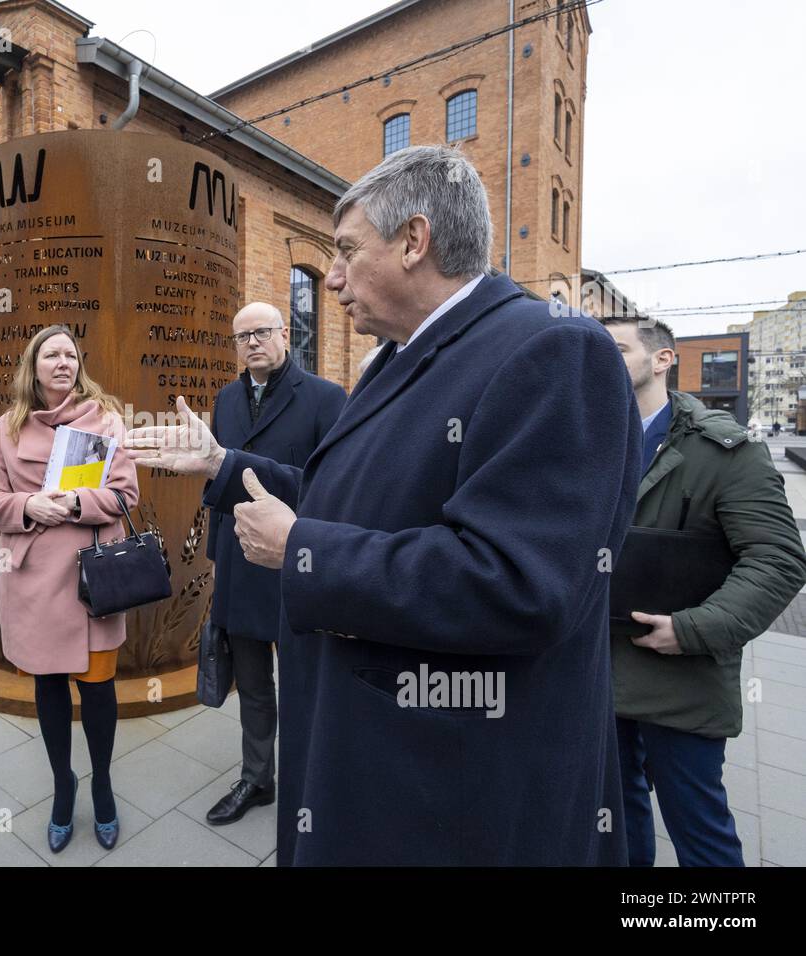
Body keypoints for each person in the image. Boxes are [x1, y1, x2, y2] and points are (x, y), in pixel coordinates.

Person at [125, 145, 641, 865]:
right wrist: (223, 464)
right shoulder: (403, 358)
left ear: (414, 241)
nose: (330, 278)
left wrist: (302, 550)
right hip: (375, 763)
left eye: (343, 251)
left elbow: (518, 582)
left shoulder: (552, 350)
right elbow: (355, 502)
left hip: (452, 795)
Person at [603, 317, 806, 866]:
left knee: (698, 829)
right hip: (594, 674)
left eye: (616, 349)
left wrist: (692, 630)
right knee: (616, 825)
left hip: (680, 677)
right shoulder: (581, 437)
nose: (601, 357)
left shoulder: (724, 450)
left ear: (663, 359)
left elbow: (778, 559)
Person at [0, 324, 139, 853]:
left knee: (98, 690)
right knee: (48, 689)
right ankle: (62, 786)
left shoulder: (105, 419)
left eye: (71, 354)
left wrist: (72, 504)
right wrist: (28, 506)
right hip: (32, 581)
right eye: (52, 354)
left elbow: (125, 495)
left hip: (93, 580)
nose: (63, 362)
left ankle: (104, 782)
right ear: (34, 365)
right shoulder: (6, 427)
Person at [202, 302, 344, 825]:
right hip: (239, 562)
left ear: (286, 333)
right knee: (255, 683)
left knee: (306, 681)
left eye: (261, 332)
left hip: (295, 562)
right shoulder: (225, 399)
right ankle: (257, 778)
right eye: (241, 337)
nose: (252, 343)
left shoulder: (327, 399)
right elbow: (218, 487)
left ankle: (314, 780)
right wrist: (216, 558)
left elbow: (330, 488)